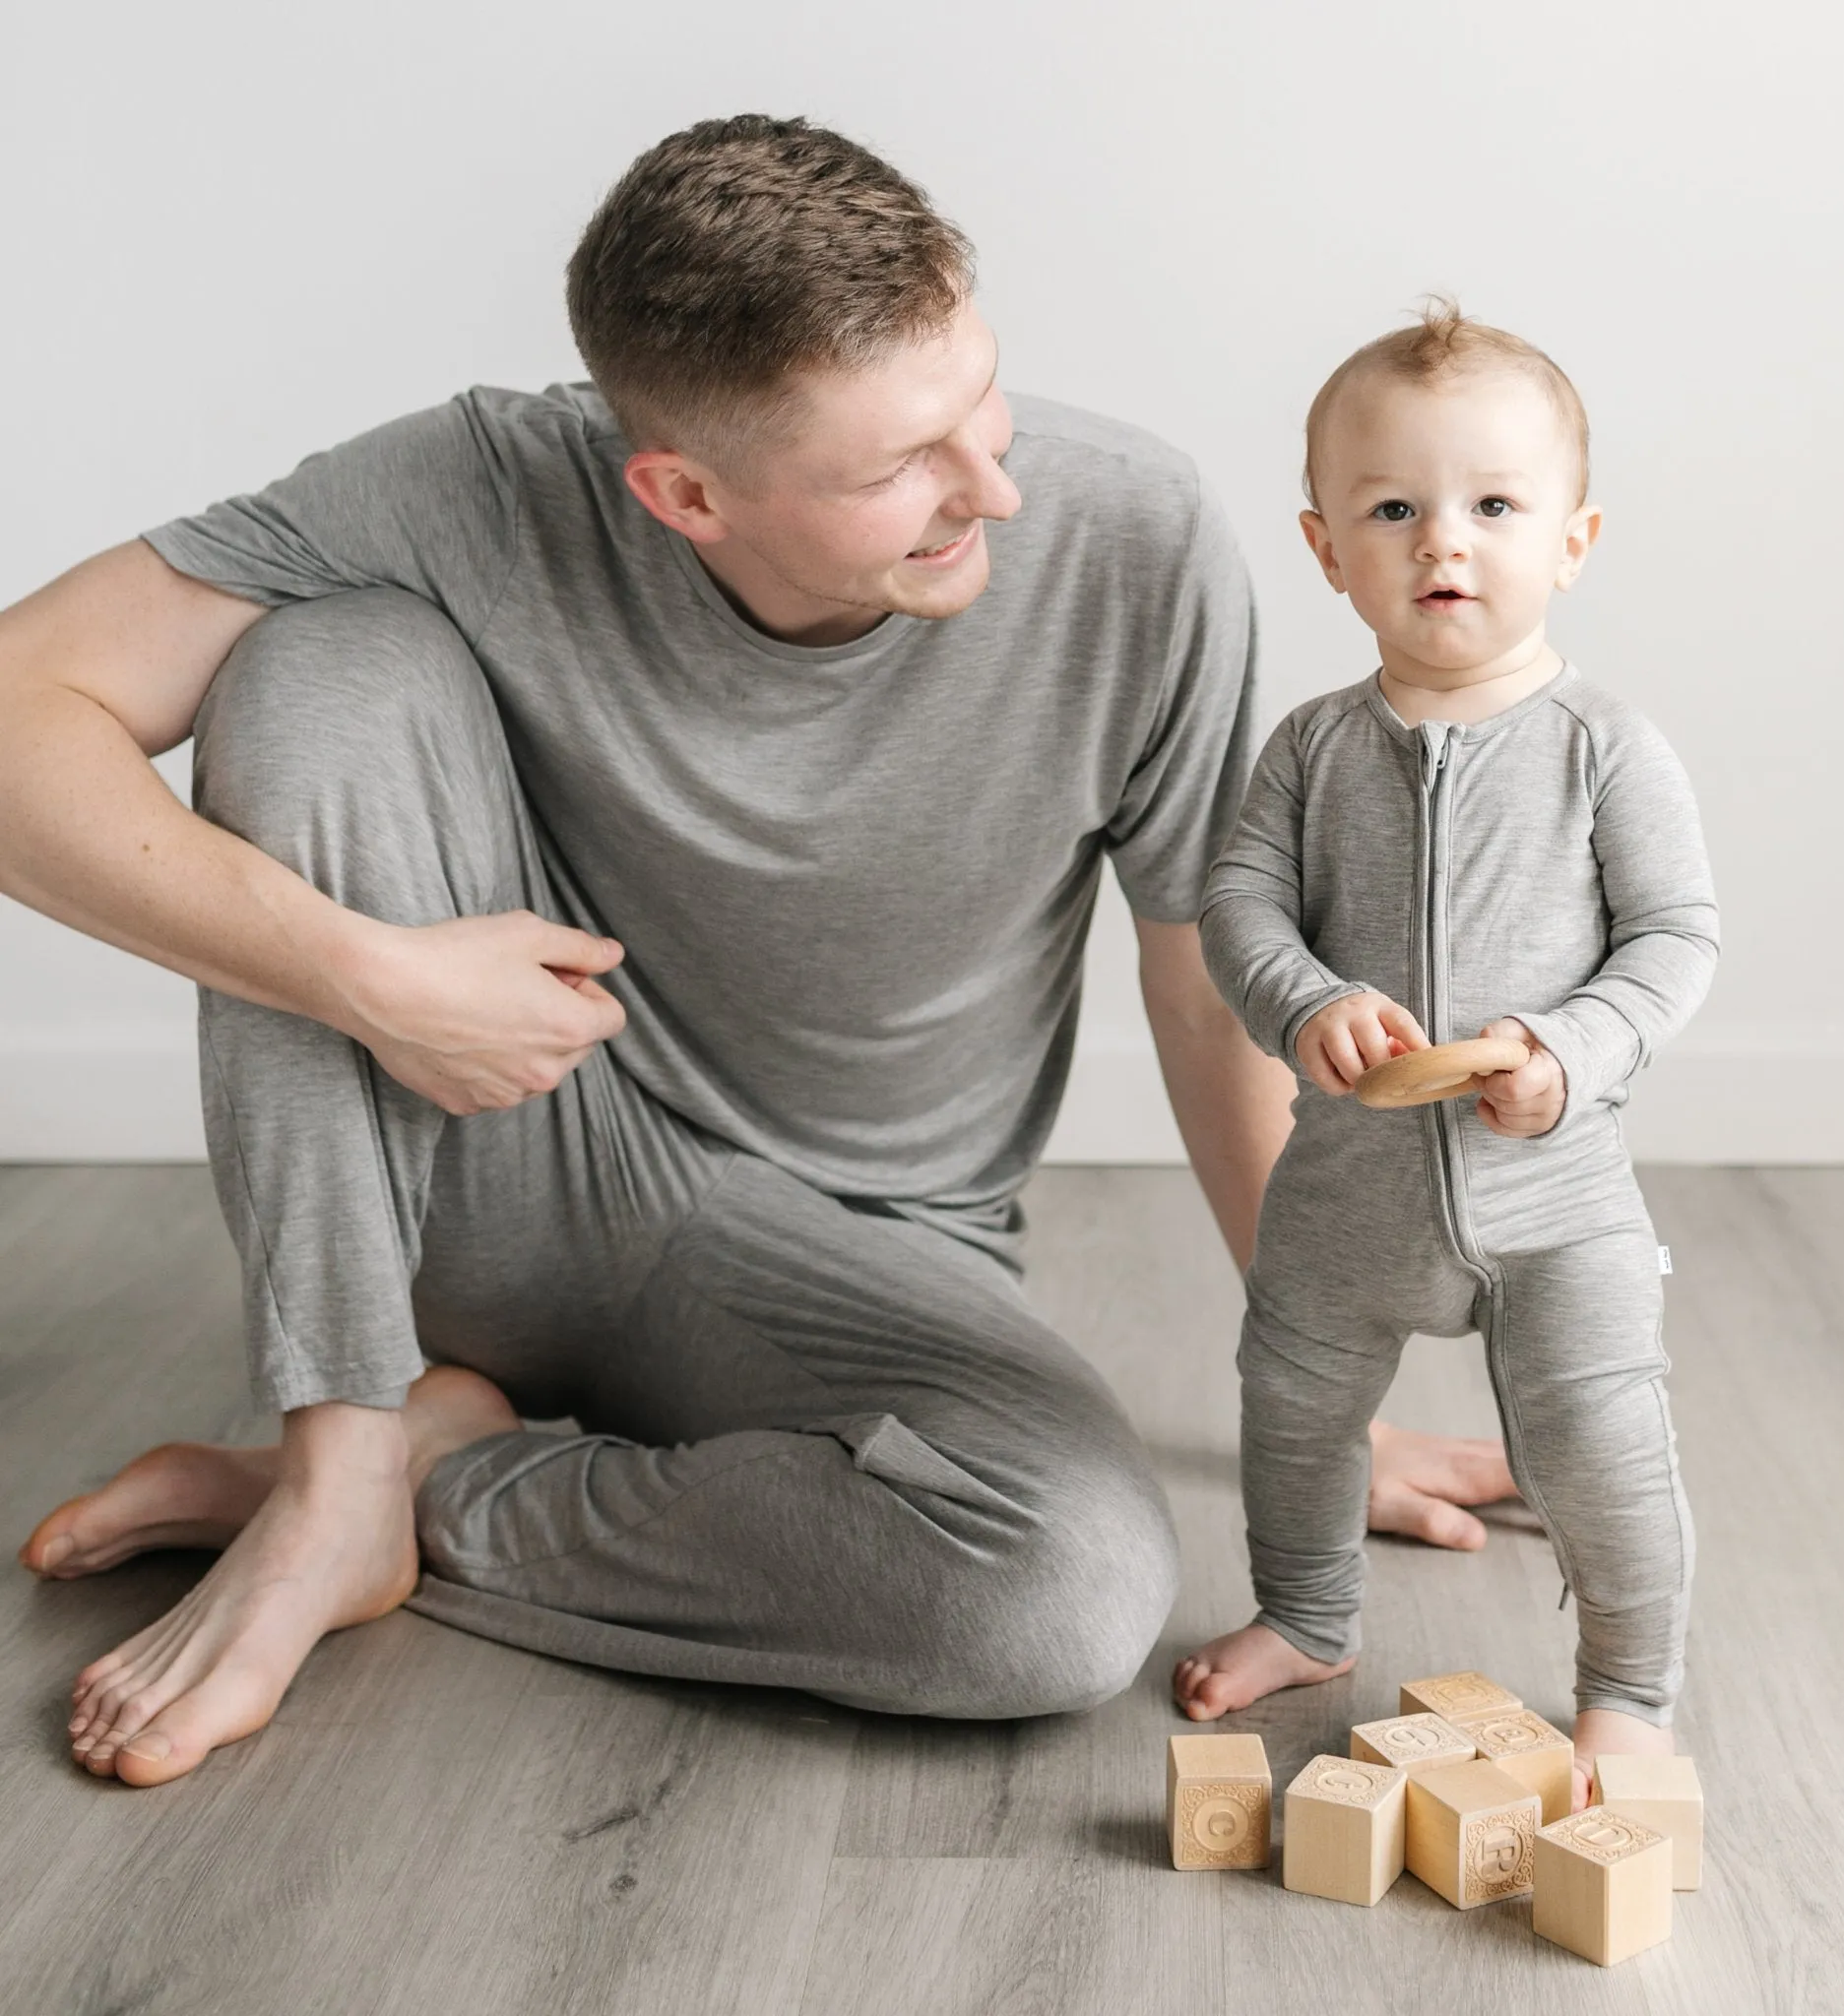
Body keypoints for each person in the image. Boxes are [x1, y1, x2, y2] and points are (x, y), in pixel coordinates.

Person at [2, 118, 1512, 1790]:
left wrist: (1324, 1405)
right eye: (898, 470)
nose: (991, 487)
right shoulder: (473, 486)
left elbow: (1201, 981)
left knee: (1063, 1589)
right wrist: (373, 978)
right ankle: (342, 1446)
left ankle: (408, 1495)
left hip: (853, 1260)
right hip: (500, 1148)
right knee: (317, 668)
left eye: (980, 400)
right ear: (684, 494)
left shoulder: (1133, 544)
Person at [1172, 305, 1717, 1802]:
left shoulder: (1607, 748)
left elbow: (1675, 940)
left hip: (1557, 1201)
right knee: (1290, 1415)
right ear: (1326, 546)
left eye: (1492, 506)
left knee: (1604, 1450)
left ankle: (1627, 1687)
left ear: (1576, 537)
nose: (1442, 544)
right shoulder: (1310, 750)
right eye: (1393, 510)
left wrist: (1569, 1048)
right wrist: (1304, 1002)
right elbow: (1237, 905)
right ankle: (1305, 1615)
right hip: (1345, 1196)